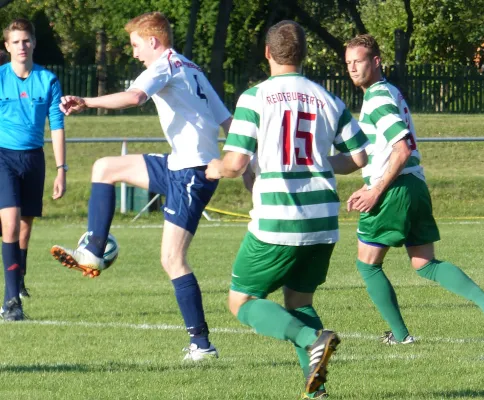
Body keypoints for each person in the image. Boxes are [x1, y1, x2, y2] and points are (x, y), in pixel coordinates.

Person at [50, 12, 232, 360]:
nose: (134, 54)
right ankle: (93, 250)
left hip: (193, 173)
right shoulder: (190, 67)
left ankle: (201, 345)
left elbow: (134, 98)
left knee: (172, 259)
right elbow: (227, 120)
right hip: (178, 163)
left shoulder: (163, 66)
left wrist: (86, 102)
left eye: (136, 45)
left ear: (153, 41)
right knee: (104, 167)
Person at [206, 20, 369, 399]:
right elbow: (359, 157)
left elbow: (233, 164)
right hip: (323, 222)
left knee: (241, 300)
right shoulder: (328, 98)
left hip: (279, 220)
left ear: (267, 53)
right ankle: (317, 392)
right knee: (299, 302)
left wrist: (215, 167)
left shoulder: (254, 97)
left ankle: (314, 340)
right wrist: (320, 164)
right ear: (304, 54)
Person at [341, 34, 484, 344]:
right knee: (424, 263)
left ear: (376, 61)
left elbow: (402, 148)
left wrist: (375, 191)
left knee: (367, 264)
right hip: (415, 185)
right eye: (349, 62)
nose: (353, 68)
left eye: (359, 61)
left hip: (393, 188)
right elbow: (376, 153)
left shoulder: (377, 99)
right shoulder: (390, 92)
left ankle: (402, 336)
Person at [0, 18, 67, 321]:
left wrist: (61, 169)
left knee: (25, 226)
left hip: (34, 158)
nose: (22, 46)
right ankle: (12, 302)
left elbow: (57, 125)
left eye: (26, 40)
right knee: (11, 223)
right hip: (3, 157)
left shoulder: (48, 80)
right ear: (7, 46)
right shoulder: (0, 78)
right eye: (16, 41)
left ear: (34, 43)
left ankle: (17, 281)